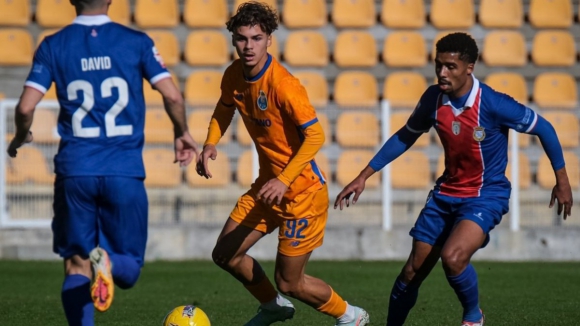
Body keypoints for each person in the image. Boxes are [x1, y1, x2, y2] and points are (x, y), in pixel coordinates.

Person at [334, 32, 573, 326]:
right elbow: (406, 136)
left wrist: (562, 180)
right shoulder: (434, 98)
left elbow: (545, 128)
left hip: (486, 194)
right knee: (411, 272)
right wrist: (363, 176)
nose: (442, 73)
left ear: (469, 67)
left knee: (453, 256)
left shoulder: (494, 104)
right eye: (438, 65)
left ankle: (473, 317)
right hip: (445, 194)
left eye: (450, 66)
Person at [7, 0, 199, 325]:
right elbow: (173, 96)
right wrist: (181, 132)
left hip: (75, 170)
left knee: (75, 264)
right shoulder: (136, 42)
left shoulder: (54, 44)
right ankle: (107, 260)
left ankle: (95, 267)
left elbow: (25, 108)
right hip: (124, 170)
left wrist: (20, 136)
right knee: (130, 268)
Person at [195, 2, 369, 326]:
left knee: (290, 282)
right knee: (225, 255)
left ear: (269, 40)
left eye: (256, 38)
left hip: (302, 193)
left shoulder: (283, 85)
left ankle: (350, 315)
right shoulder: (233, 74)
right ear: (233, 39)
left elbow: (315, 136)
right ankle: (274, 307)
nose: (249, 46)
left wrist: (285, 180)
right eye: (242, 38)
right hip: (268, 187)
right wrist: (209, 144)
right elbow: (224, 108)